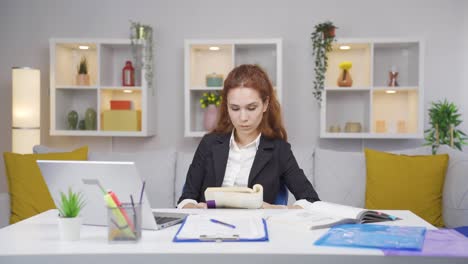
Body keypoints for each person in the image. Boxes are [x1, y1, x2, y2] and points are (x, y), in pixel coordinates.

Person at [178, 64, 320, 209]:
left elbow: (311, 200)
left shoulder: (279, 150)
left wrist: (274, 208)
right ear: (226, 106)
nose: (243, 117)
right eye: (235, 108)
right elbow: (185, 200)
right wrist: (193, 208)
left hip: (256, 228)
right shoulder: (209, 144)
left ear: (265, 104)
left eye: (251, 108)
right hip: (209, 228)